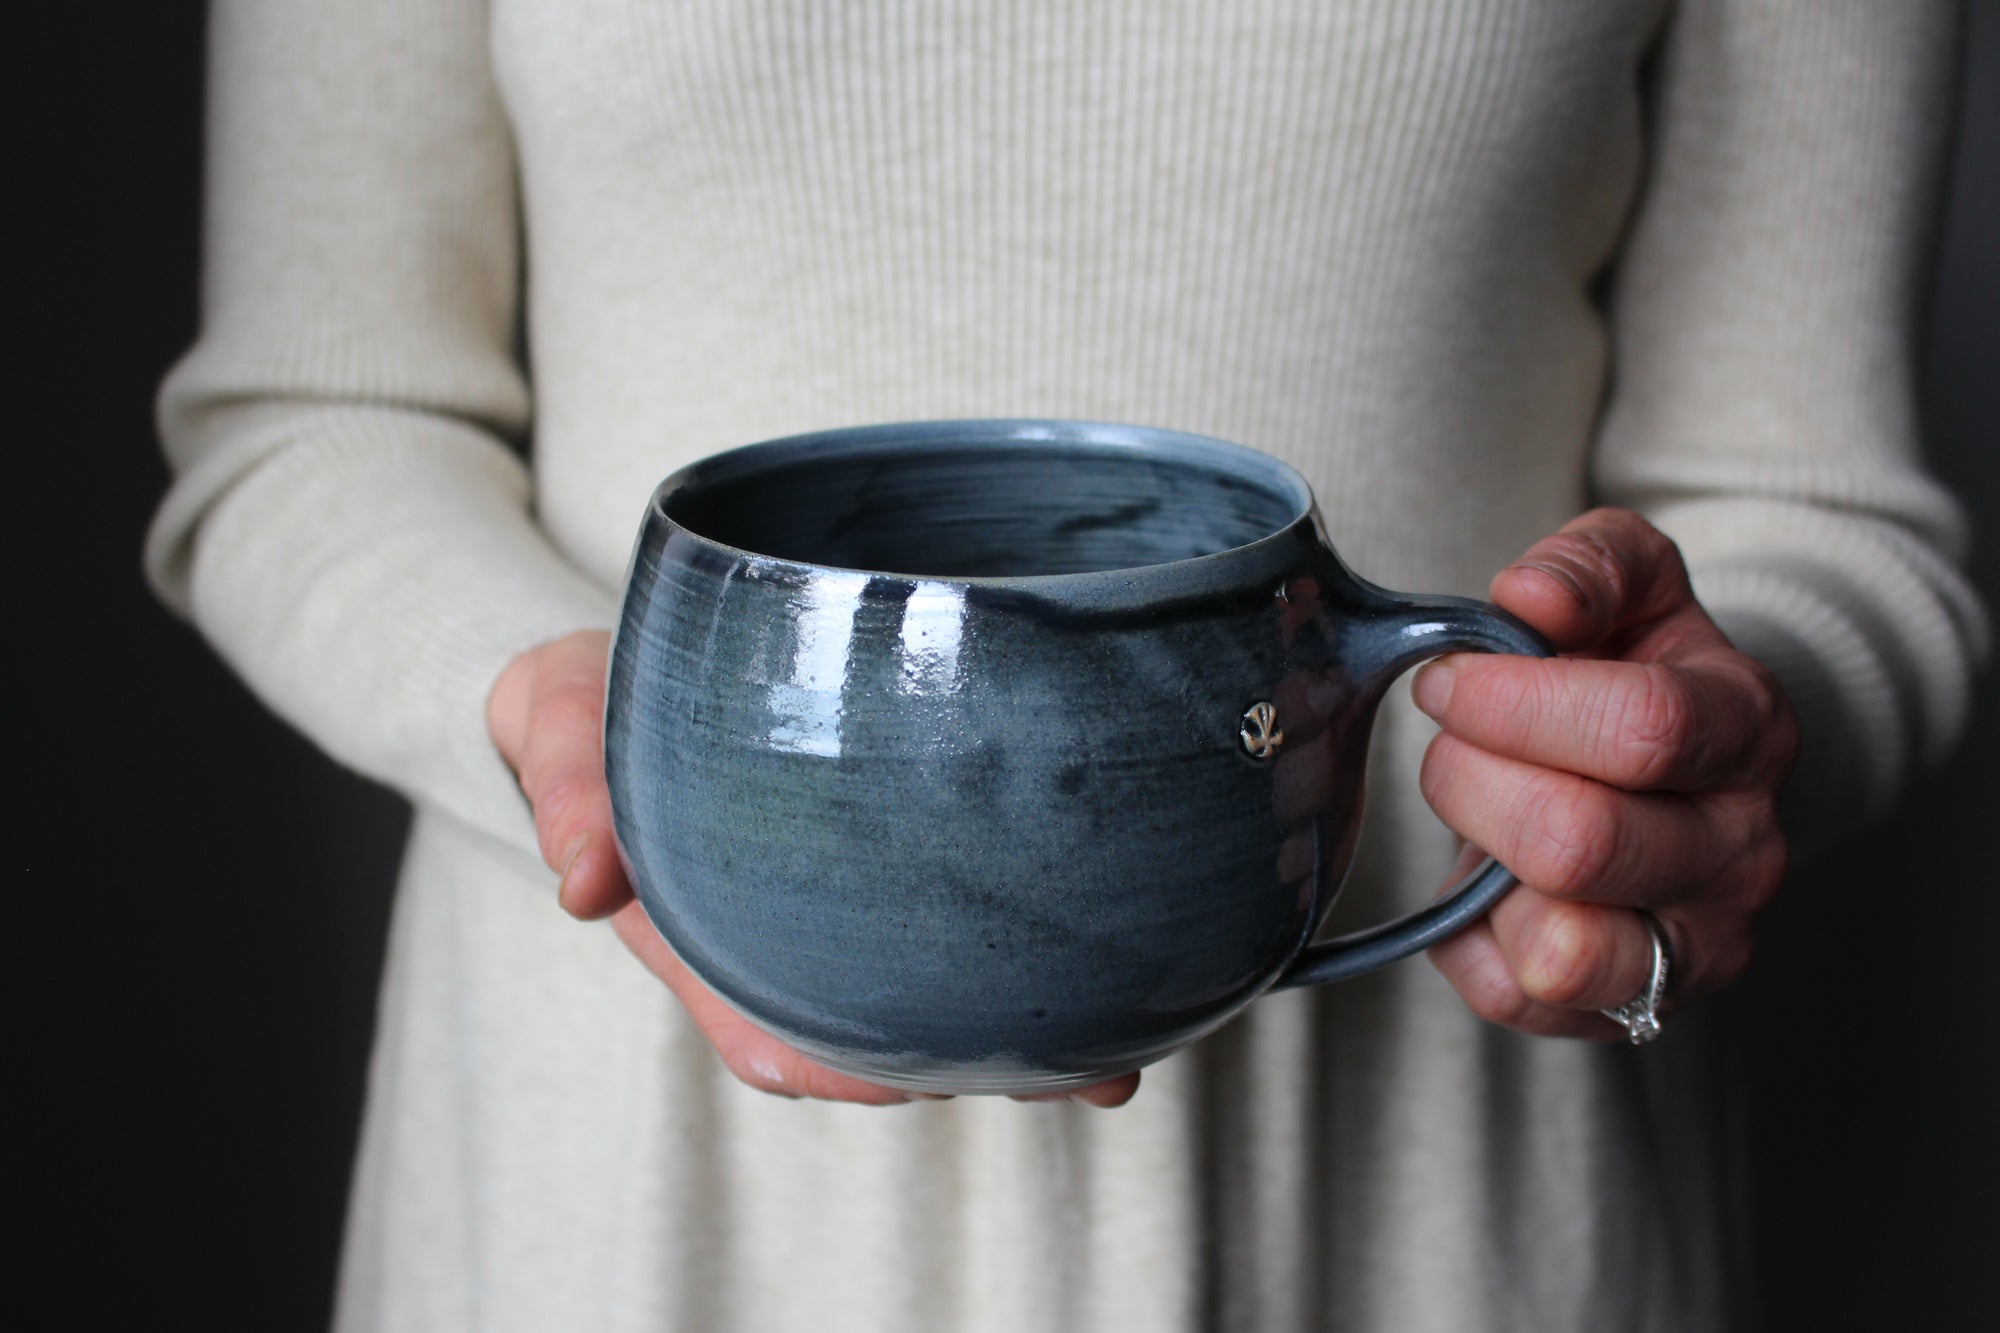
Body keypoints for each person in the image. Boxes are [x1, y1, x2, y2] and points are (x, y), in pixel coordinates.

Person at [147, 2, 1985, 1329]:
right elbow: (319, 409)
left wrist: (1699, 751)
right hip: (623, 1219)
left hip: (1437, 1220)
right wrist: (566, 713)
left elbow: (1821, 510)